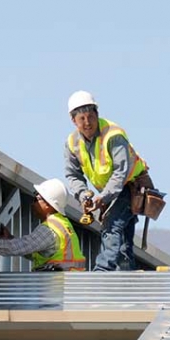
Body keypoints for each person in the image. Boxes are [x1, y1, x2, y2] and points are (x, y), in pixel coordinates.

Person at [63, 90, 148, 271]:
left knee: (111, 226)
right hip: (109, 192)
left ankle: (102, 272)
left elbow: (121, 172)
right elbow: (73, 175)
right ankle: (127, 280)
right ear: (73, 121)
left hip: (129, 186)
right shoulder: (72, 143)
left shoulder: (113, 134)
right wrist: (83, 194)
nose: (87, 123)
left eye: (90, 117)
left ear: (97, 114)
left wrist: (103, 198)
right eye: (82, 119)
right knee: (123, 240)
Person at [0, 178, 86, 271]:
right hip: (65, 286)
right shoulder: (62, 224)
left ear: (48, 205)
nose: (32, 203)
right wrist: (10, 239)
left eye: (36, 198)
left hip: (59, 287)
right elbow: (32, 251)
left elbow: (23, 246)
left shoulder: (50, 228)